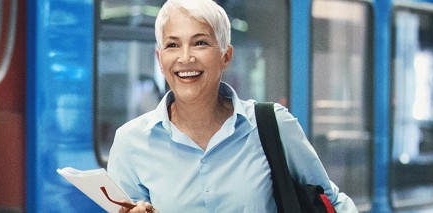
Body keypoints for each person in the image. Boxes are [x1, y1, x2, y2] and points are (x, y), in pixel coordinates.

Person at [105, 0, 358, 212]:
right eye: (172, 45)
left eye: (200, 42)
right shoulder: (130, 143)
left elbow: (332, 203)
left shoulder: (271, 125)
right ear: (160, 60)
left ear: (226, 55)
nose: (185, 58)